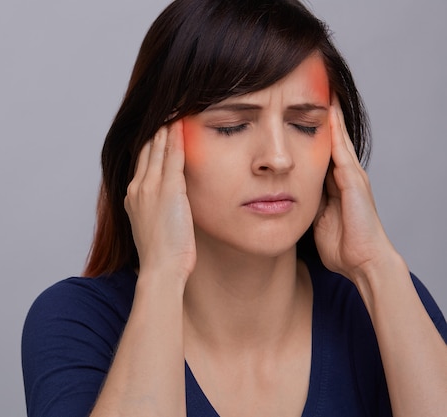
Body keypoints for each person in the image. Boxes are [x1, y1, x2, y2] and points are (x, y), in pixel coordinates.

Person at [22, 0, 447, 415]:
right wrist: (163, 275)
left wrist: (377, 266)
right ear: (153, 146)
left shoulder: (389, 303)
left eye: (305, 125)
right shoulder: (75, 322)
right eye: (232, 126)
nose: (278, 158)